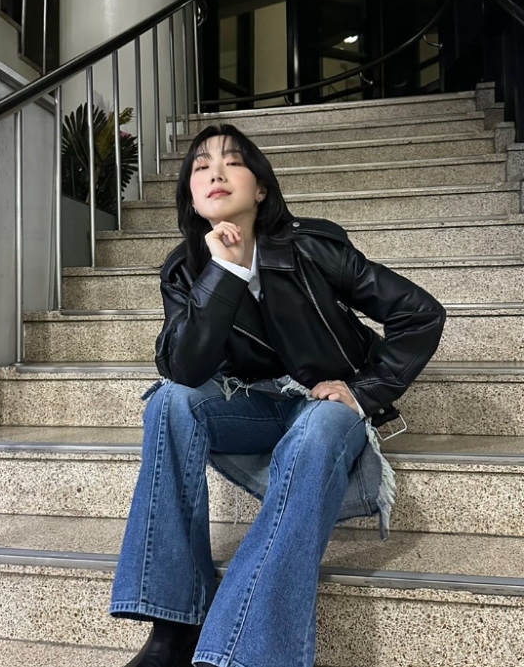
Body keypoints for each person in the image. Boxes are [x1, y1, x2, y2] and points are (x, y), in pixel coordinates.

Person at [109, 124, 446, 667]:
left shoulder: (312, 246)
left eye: (232, 161)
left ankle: (245, 651)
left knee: (317, 423)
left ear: (261, 187)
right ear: (191, 196)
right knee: (169, 403)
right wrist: (224, 273)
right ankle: (173, 625)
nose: (215, 172)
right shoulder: (185, 270)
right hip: (255, 406)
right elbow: (185, 369)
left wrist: (363, 392)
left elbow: (421, 313)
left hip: (326, 405)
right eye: (201, 166)